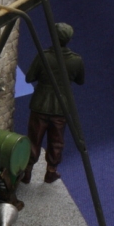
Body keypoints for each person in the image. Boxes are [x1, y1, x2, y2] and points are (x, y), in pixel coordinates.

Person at [24, 22, 84, 184]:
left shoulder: (43, 56)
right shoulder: (76, 60)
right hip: (61, 107)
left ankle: (27, 171)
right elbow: (80, 80)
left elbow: (29, 78)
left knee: (33, 139)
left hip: (40, 104)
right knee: (57, 141)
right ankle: (51, 171)